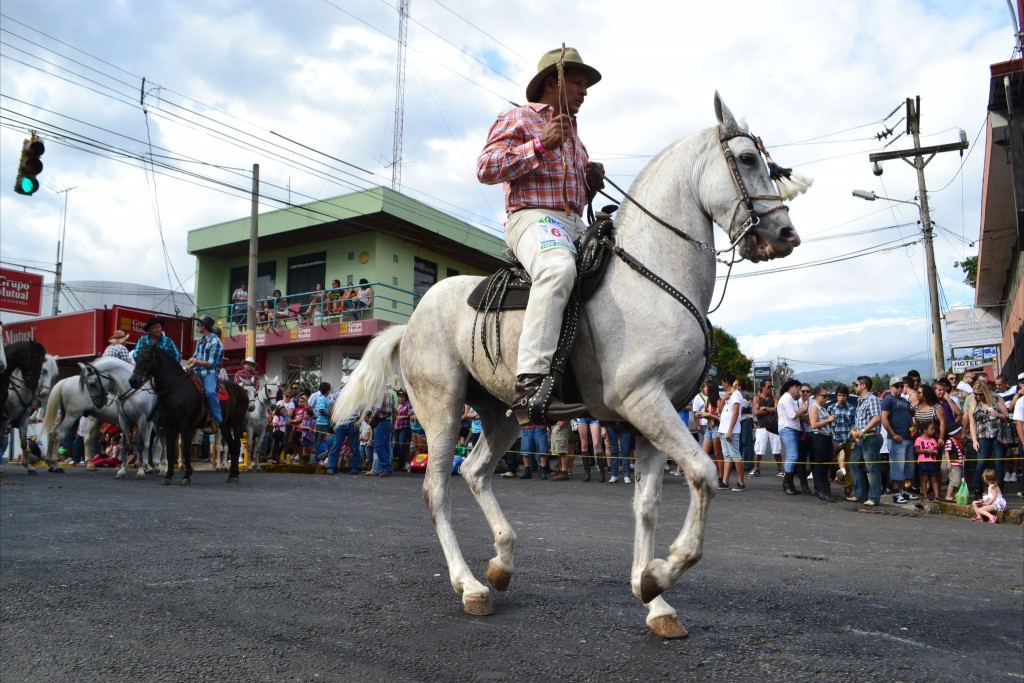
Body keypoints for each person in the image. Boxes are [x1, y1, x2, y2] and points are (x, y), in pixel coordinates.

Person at [477, 46, 605, 425]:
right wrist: (538, 145)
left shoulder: (578, 140)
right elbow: (485, 168)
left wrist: (590, 185)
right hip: (531, 217)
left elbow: (575, 198)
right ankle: (530, 385)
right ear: (554, 82)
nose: (584, 91)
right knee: (556, 268)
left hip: (572, 222)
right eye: (578, 82)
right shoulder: (518, 117)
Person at [968, 380, 1010, 499]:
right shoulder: (973, 402)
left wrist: (998, 415)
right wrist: (974, 440)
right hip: (982, 436)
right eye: (976, 394)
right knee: (981, 464)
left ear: (985, 392)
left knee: (998, 465)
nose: (978, 396)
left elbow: (1007, 417)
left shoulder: (996, 398)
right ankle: (977, 490)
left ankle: (998, 492)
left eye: (980, 394)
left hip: (997, 436)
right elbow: (972, 423)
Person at [848, 376, 884, 506]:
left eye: (856, 384)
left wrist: (863, 430)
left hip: (871, 437)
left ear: (863, 385)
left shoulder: (872, 399)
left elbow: (877, 418)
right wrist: (855, 429)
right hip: (861, 438)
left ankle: (874, 498)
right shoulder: (860, 401)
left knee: (871, 468)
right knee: (854, 464)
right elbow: (861, 420)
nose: (855, 387)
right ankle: (860, 494)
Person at [881, 377, 915, 504]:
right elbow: (884, 418)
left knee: (908, 466)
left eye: (901, 386)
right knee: (897, 467)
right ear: (891, 387)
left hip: (907, 437)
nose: (899, 388)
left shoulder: (904, 400)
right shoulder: (888, 400)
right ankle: (896, 493)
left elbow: (910, 416)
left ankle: (904, 491)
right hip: (896, 439)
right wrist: (893, 434)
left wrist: (912, 428)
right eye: (897, 386)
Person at [188, 314, 224, 432]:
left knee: (210, 393)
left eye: (198, 325)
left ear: (204, 326)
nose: (197, 327)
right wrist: (190, 365)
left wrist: (195, 361)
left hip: (209, 373)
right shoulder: (200, 341)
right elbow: (195, 357)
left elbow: (211, 364)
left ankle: (217, 419)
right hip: (197, 371)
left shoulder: (216, 342)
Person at [777, 379, 807, 495]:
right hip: (787, 428)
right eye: (797, 387)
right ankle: (786, 483)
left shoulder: (791, 399)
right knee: (792, 455)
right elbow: (792, 415)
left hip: (793, 429)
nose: (798, 390)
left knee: (793, 456)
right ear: (790, 387)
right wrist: (803, 409)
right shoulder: (787, 398)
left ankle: (789, 484)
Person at [807, 385, 836, 501]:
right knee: (820, 465)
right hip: (819, 438)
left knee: (826, 465)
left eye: (827, 396)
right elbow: (814, 424)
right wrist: (828, 420)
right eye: (824, 396)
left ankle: (825, 488)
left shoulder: (823, 408)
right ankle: (820, 489)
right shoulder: (814, 408)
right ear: (817, 396)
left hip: (827, 438)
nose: (826, 398)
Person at [719, 373, 746, 492]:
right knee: (727, 456)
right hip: (722, 429)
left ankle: (741, 482)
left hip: (731, 431)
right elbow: (719, 411)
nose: (722, 385)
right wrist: (723, 399)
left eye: (722, 383)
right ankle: (725, 481)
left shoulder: (736, 395)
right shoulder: (728, 395)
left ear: (726, 382)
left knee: (735, 455)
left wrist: (730, 431)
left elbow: (735, 413)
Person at [830, 385, 856, 498]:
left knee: (849, 465)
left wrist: (852, 431)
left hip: (847, 439)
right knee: (829, 463)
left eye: (843, 395)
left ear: (847, 396)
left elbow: (854, 423)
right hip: (834, 439)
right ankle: (826, 487)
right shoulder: (831, 408)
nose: (841, 398)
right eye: (839, 395)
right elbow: (828, 424)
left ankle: (848, 488)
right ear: (836, 396)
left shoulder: (851, 409)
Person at [752, 379, 781, 477]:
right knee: (759, 450)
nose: (770, 388)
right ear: (763, 387)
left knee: (777, 450)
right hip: (762, 427)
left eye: (771, 386)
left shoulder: (775, 398)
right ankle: (756, 468)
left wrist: (764, 408)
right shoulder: (757, 398)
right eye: (768, 386)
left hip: (774, 427)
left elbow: (777, 409)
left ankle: (780, 469)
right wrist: (771, 410)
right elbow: (756, 412)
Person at [367, 388, 394, 477]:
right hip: (387, 421)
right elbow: (394, 410)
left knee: (379, 446)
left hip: (380, 421)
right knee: (385, 446)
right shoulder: (390, 394)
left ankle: (386, 468)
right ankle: (385, 468)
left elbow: (378, 408)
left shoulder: (379, 394)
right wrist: (393, 424)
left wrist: (371, 417)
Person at [915, 419, 941, 501]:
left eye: (934, 429)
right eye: (931, 429)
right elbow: (917, 451)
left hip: (932, 461)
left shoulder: (933, 440)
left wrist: (935, 451)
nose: (933, 431)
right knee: (924, 479)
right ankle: (925, 496)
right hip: (923, 462)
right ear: (925, 430)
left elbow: (936, 450)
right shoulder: (919, 439)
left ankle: (937, 496)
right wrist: (925, 450)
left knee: (934, 479)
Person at [392, 391, 412, 472]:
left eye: (402, 397)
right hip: (396, 427)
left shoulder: (408, 405)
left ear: (405, 398)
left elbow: (411, 415)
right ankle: (396, 465)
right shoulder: (395, 405)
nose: (401, 398)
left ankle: (402, 465)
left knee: (401, 446)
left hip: (404, 427)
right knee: (396, 446)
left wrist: (402, 417)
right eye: (399, 397)